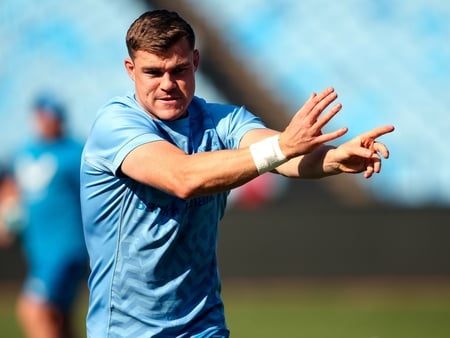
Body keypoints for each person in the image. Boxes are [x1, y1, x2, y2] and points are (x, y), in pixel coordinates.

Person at [81, 9, 394, 338]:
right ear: (130, 70)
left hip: (204, 327)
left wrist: (335, 159)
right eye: (153, 72)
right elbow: (182, 178)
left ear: (196, 62)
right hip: (125, 332)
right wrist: (283, 148)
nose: (167, 84)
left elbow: (280, 156)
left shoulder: (223, 120)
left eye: (179, 69)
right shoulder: (116, 124)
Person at [0, 93, 88, 338]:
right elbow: (11, 188)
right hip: (38, 249)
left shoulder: (76, 153)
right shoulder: (24, 152)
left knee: (33, 309)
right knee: (58, 318)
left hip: (66, 248)